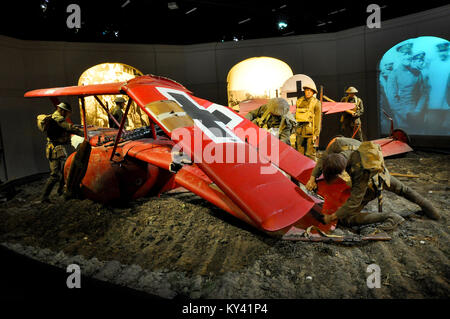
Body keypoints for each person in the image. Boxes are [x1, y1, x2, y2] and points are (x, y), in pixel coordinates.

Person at [305, 137, 440, 230]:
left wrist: (332, 217)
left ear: (341, 172)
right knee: (403, 189)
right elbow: (323, 159)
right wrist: (312, 177)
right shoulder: (339, 143)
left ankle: (391, 217)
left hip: (372, 183)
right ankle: (433, 212)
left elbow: (353, 202)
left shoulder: (360, 171)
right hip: (381, 170)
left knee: (346, 219)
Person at [39, 102, 84, 203]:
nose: (68, 115)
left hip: (58, 148)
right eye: (67, 113)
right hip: (54, 149)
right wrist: (83, 133)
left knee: (64, 170)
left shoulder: (56, 117)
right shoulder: (57, 118)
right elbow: (68, 127)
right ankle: (44, 197)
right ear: (63, 111)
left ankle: (61, 191)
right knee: (55, 175)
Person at [387, 42, 426, 129]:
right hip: (403, 116)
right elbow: (392, 99)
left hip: (418, 113)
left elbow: (423, 94)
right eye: (405, 54)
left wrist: (418, 110)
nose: (408, 56)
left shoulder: (417, 73)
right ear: (399, 56)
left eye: (409, 53)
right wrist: (405, 115)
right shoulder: (394, 74)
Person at [295, 83, 321, 161]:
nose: (308, 92)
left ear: (313, 92)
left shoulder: (316, 103)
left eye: (310, 91)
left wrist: (316, 134)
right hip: (300, 131)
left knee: (310, 155)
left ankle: (313, 172)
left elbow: (317, 119)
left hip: (311, 131)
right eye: (307, 90)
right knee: (299, 155)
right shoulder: (299, 101)